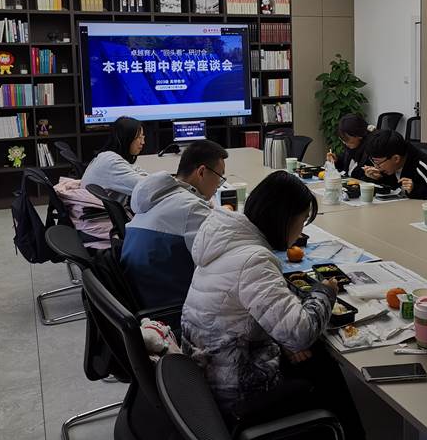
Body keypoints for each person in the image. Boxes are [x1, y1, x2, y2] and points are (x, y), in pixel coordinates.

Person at [182, 171, 365, 438]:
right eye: (303, 220)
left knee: (312, 356)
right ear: (286, 219)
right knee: (323, 364)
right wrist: (325, 293)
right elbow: (300, 334)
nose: (301, 231)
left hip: (209, 371)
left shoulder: (225, 240)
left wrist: (281, 339)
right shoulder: (253, 260)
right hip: (235, 390)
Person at [120, 140, 229, 309]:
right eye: (220, 177)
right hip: (171, 308)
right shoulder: (192, 208)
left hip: (142, 297)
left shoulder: (155, 197)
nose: (219, 185)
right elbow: (222, 258)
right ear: (201, 172)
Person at [363, 129, 427, 205]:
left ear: (396, 158)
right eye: (373, 161)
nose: (376, 167)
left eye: (378, 163)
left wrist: (415, 190)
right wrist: (379, 178)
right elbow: (396, 186)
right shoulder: (395, 163)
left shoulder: (423, 167)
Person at [81, 116, 147, 195]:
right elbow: (145, 187)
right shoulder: (111, 162)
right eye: (139, 137)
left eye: (143, 137)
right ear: (125, 138)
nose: (143, 142)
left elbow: (140, 173)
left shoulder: (106, 157)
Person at [325, 113, 374, 179]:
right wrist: (336, 160)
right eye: (343, 140)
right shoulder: (352, 147)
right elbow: (346, 164)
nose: (345, 143)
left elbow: (359, 173)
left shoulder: (371, 147)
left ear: (359, 135)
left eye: (348, 141)